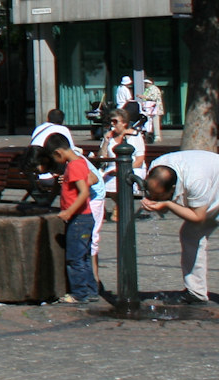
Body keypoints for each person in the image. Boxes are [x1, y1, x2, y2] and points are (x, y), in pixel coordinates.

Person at [142, 151, 219, 317]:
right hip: (210, 189)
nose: (154, 197)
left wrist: (168, 205)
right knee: (189, 235)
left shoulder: (195, 179)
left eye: (158, 195)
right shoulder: (157, 166)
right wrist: (154, 198)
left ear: (172, 188)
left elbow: (198, 217)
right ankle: (195, 292)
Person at [42, 133, 103, 305]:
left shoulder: (74, 166)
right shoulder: (81, 162)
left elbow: (83, 192)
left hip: (79, 219)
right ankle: (91, 291)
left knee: (74, 258)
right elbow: (91, 179)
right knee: (84, 257)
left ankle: (79, 293)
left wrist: (69, 212)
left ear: (59, 153)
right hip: (86, 218)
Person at [96, 108, 147, 221]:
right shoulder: (110, 136)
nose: (112, 124)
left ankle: (120, 208)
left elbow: (139, 160)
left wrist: (122, 169)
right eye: (111, 121)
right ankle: (121, 206)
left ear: (124, 123)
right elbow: (102, 157)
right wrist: (105, 141)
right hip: (112, 167)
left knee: (119, 179)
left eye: (115, 121)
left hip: (132, 167)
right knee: (101, 181)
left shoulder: (135, 136)